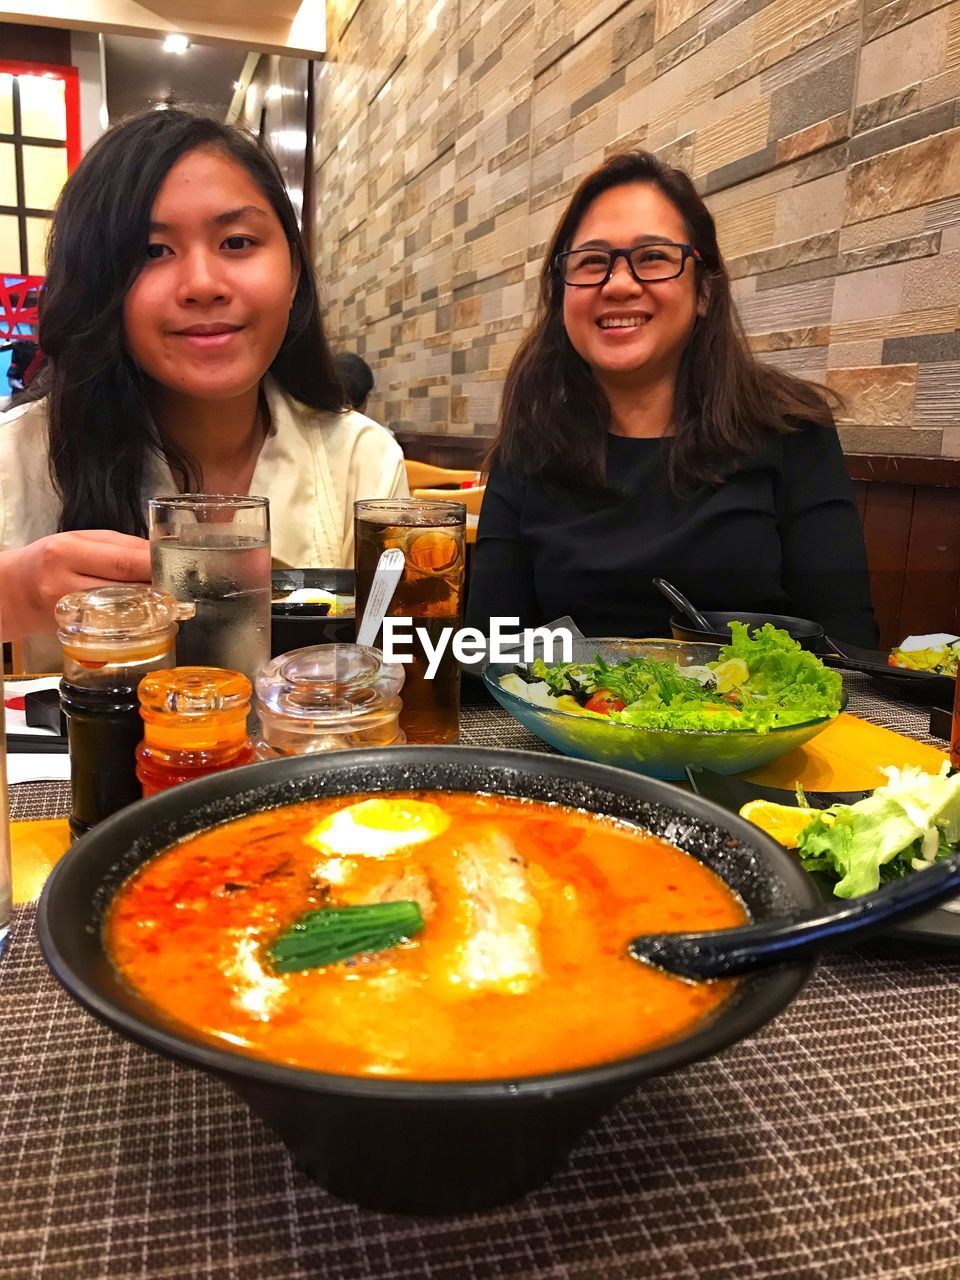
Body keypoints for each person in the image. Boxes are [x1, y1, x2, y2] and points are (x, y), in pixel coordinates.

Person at [0, 107, 406, 669]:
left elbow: (397, 677)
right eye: (153, 252)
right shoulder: (18, 456)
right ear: (100, 288)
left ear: (293, 275)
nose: (202, 285)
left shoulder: (362, 461)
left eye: (237, 242)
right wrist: (12, 594)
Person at [466, 151, 878, 647]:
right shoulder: (531, 443)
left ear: (704, 291)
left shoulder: (791, 429)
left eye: (654, 258)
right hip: (562, 722)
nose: (618, 283)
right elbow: (493, 651)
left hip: (758, 720)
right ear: (561, 295)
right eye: (592, 261)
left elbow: (846, 648)